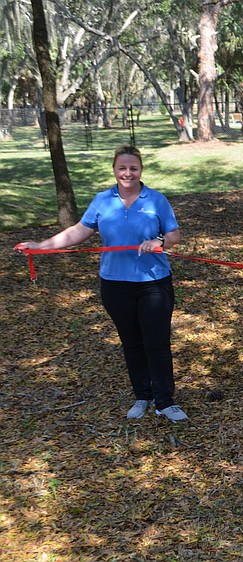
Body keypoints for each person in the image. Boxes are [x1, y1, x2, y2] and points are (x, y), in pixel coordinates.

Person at [15, 145, 186, 422]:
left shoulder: (155, 199)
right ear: (114, 170)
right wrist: (40, 245)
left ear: (141, 170)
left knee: (157, 344)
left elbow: (174, 234)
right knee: (132, 344)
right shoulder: (102, 200)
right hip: (115, 285)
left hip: (154, 284)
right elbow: (78, 231)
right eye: (122, 168)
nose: (127, 173)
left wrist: (160, 241)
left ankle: (165, 401)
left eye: (133, 168)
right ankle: (143, 396)